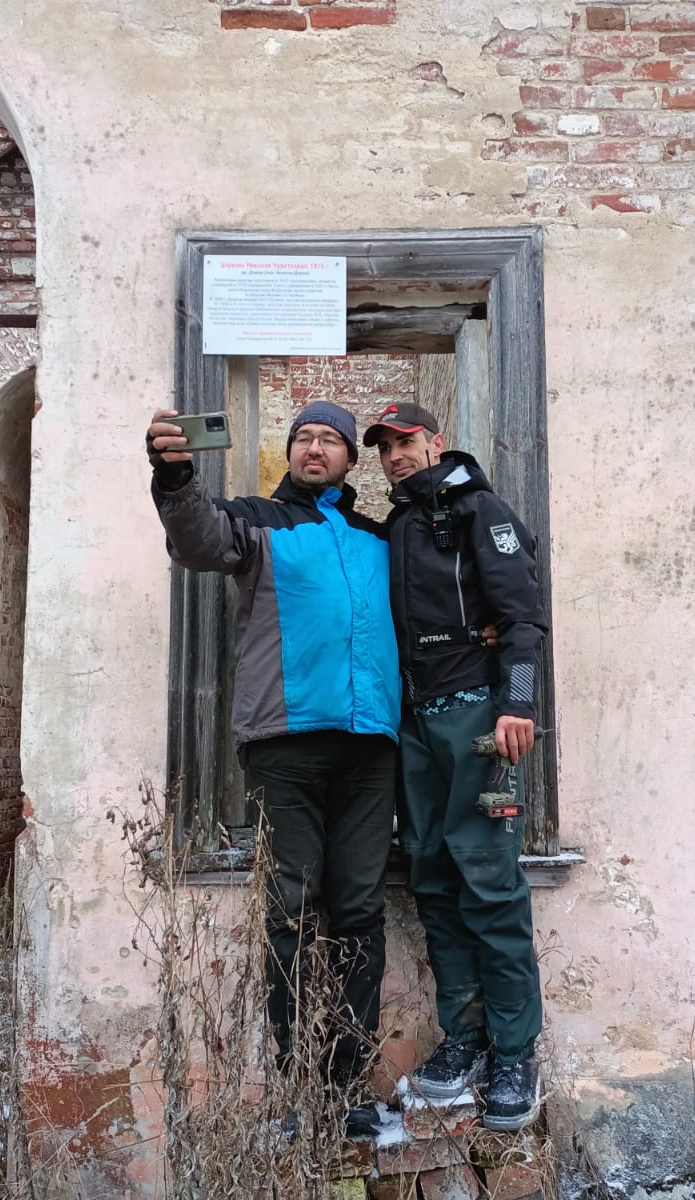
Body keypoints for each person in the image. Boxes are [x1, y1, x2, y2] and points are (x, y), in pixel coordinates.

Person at [147, 400, 400, 1136]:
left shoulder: (377, 537)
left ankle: (346, 1087)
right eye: (303, 438)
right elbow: (198, 538)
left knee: (359, 912)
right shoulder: (255, 521)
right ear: (289, 453)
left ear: (350, 458)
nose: (315, 449)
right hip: (284, 743)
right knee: (291, 910)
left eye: (330, 440)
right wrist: (176, 476)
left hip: (370, 746)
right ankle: (297, 1087)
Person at [364, 401, 549, 1132]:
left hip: (479, 719)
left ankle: (515, 1052)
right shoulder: (401, 525)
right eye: (384, 447)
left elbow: (523, 615)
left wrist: (517, 703)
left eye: (405, 442)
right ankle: (464, 1037)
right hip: (415, 722)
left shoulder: (478, 510)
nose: (395, 456)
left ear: (435, 442)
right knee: (434, 877)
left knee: (489, 882)